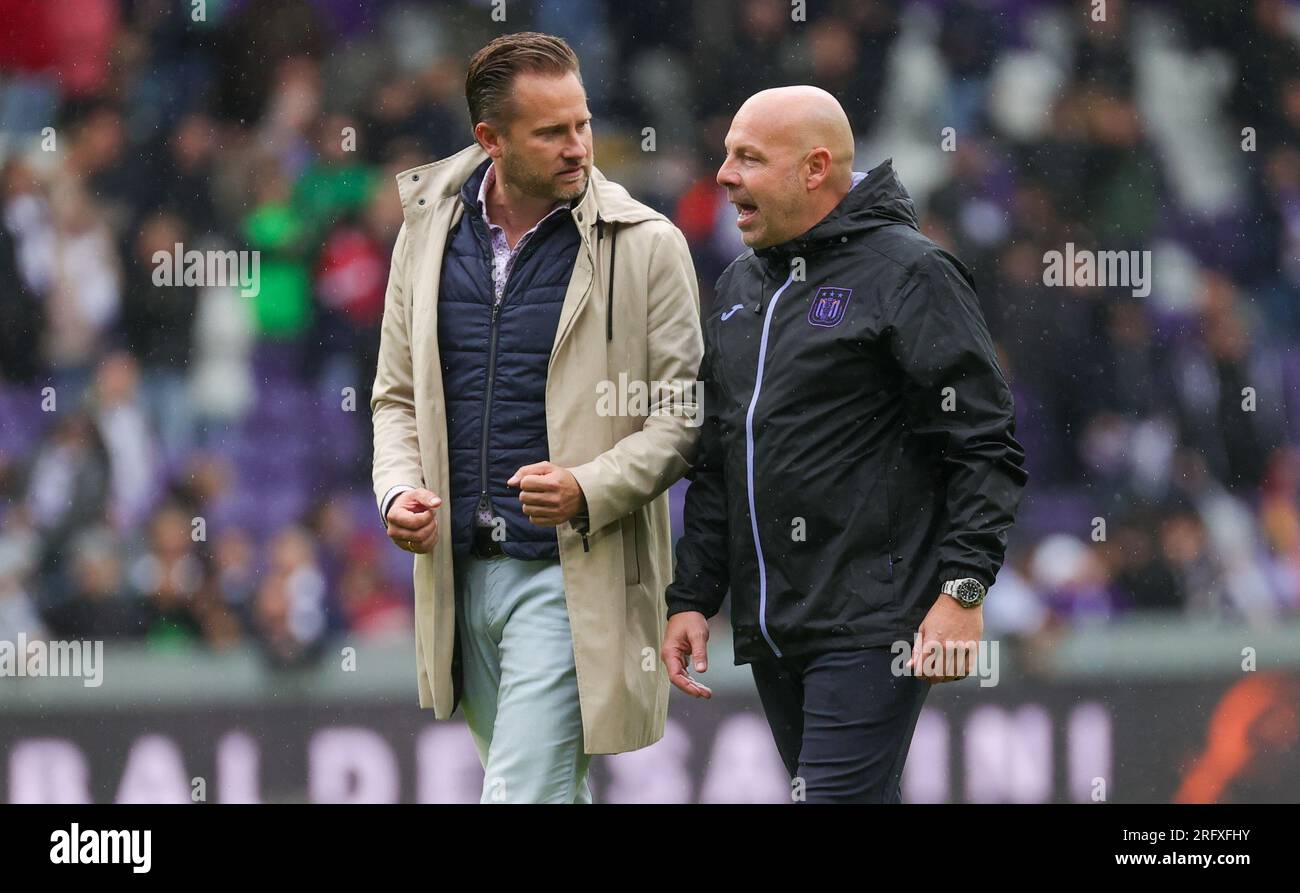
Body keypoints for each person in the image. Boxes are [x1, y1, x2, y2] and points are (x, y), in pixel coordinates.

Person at [661, 86, 1028, 803]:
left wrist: (964, 587)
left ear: (815, 168)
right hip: (775, 624)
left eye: (749, 158)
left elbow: (984, 442)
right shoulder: (738, 283)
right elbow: (718, 458)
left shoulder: (911, 272)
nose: (724, 176)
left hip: (875, 620)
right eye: (726, 155)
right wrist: (693, 595)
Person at [371, 33, 703, 803]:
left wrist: (589, 486)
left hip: (570, 577)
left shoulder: (649, 246)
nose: (579, 146)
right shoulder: (423, 231)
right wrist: (396, 489)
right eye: (552, 132)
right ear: (491, 140)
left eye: (582, 124)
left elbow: (682, 418)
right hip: (458, 577)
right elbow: (393, 397)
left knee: (519, 796)